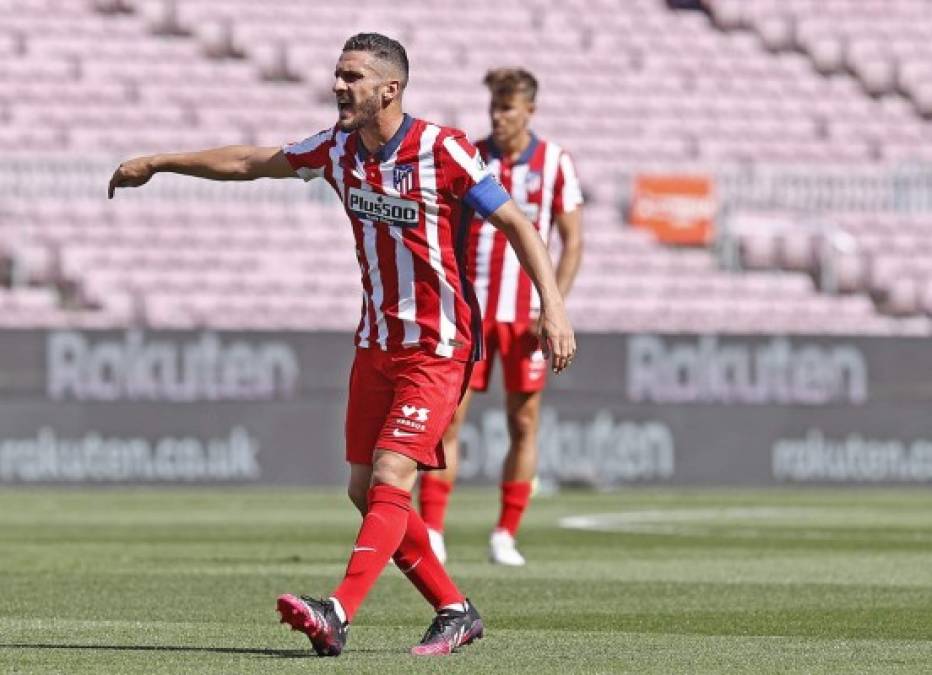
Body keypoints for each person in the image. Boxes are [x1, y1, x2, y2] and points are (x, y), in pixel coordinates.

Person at [108, 34, 576, 657]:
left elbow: (517, 222)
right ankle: (455, 608)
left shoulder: (443, 149)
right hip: (376, 343)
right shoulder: (338, 150)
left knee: (390, 474)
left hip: (438, 346)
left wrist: (554, 307)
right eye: (337, 74)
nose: (338, 85)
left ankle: (337, 611)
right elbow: (252, 161)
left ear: (390, 89)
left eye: (352, 76)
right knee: (363, 490)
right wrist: (159, 162)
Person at [418, 68, 583, 567]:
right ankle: (432, 530)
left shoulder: (554, 162)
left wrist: (553, 303)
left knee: (523, 421)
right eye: (493, 107)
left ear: (529, 110)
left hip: (524, 319)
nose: (498, 116)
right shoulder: (471, 155)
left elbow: (573, 240)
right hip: (469, 312)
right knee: (448, 421)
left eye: (506, 108)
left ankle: (505, 534)